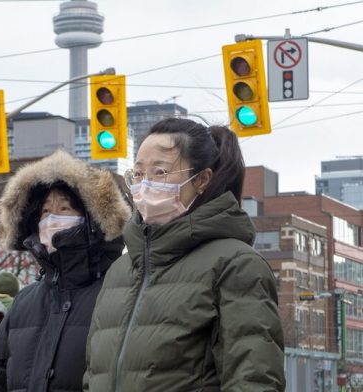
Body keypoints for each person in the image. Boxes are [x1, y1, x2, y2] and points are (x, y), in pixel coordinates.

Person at [84, 118, 285, 391]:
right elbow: (94, 375)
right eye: (139, 174)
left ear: (202, 179)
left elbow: (253, 380)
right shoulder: (120, 270)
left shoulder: (236, 265)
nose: (146, 185)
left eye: (161, 172)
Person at [0, 150, 131, 392]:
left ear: (92, 220)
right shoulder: (25, 302)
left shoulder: (120, 293)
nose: (52, 219)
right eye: (46, 211)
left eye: (64, 208)